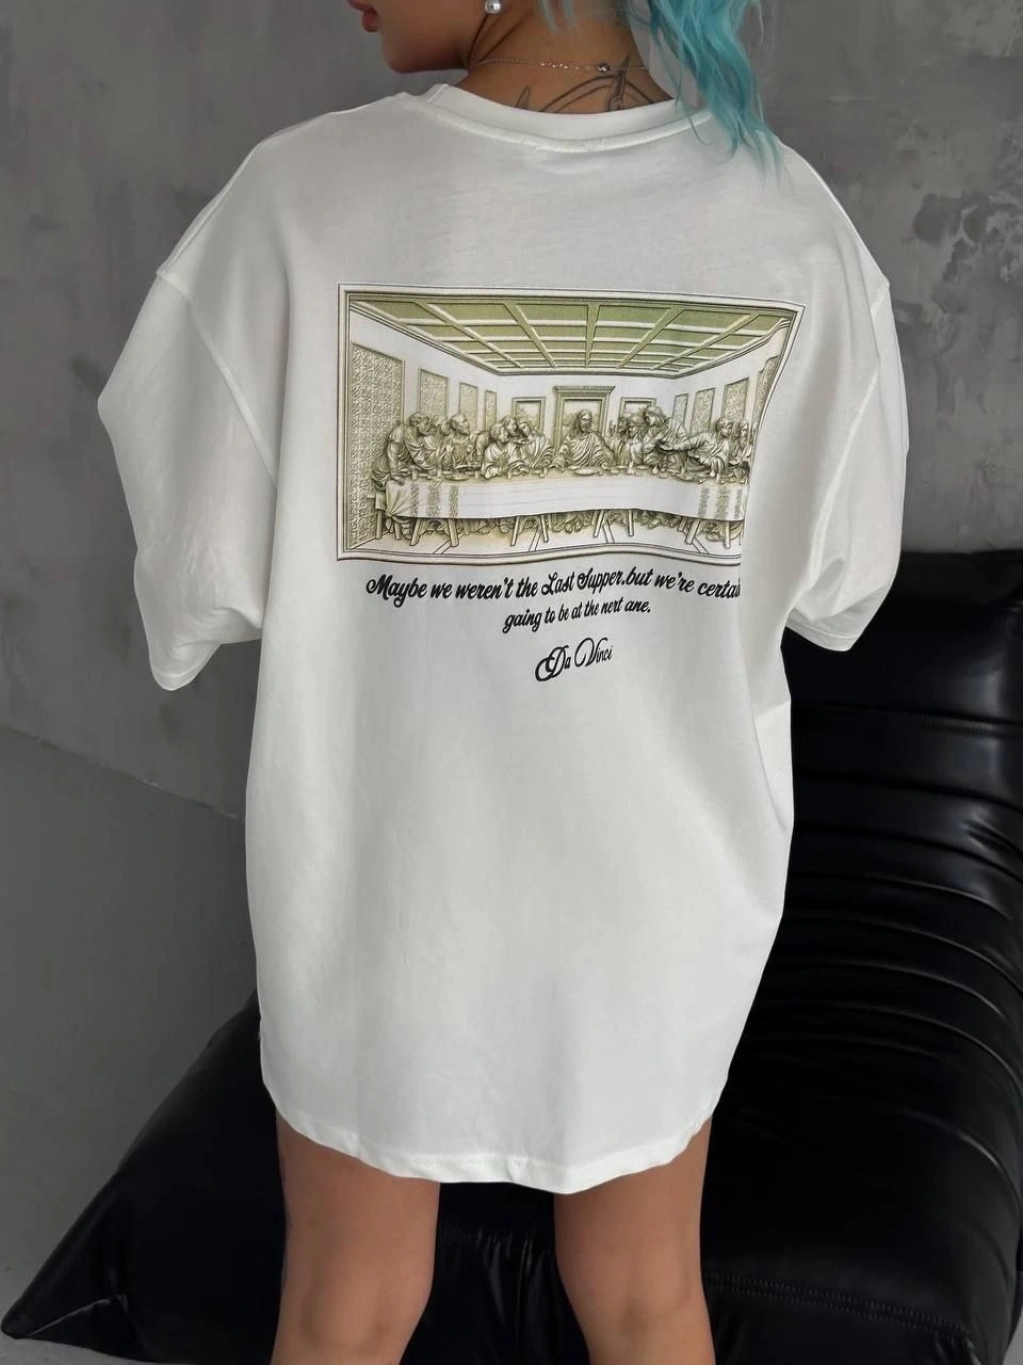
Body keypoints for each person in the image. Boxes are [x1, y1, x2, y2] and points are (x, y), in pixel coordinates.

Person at [96, 2, 910, 1363]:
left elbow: (206, 577)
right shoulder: (796, 230)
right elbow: (841, 589)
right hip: (657, 903)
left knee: (345, 1307)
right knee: (647, 1300)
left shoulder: (299, 206)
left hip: (391, 898)